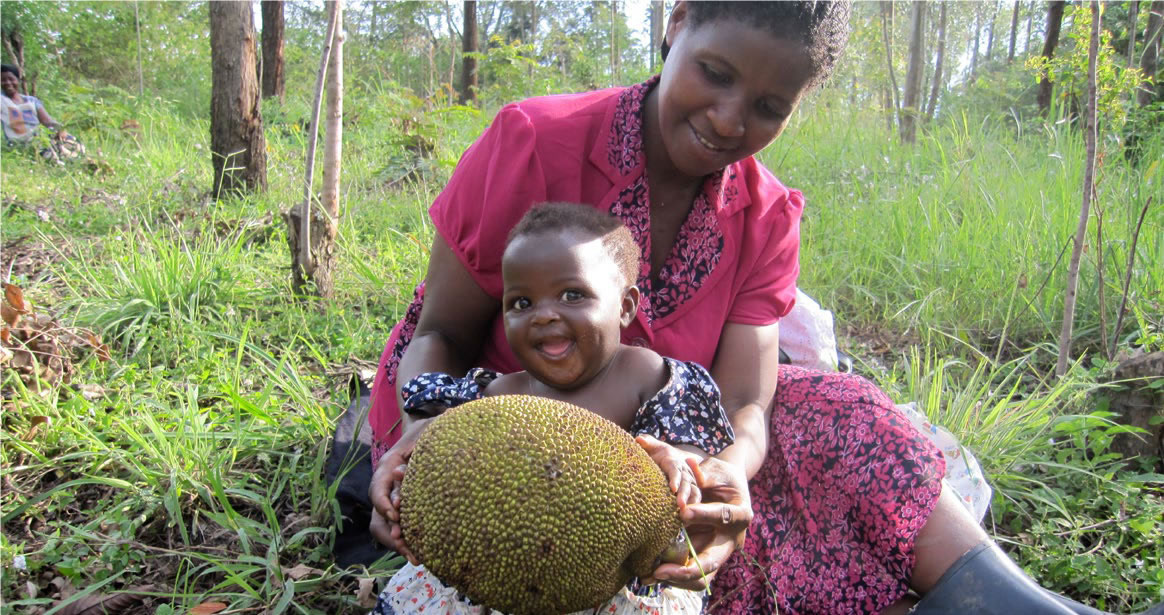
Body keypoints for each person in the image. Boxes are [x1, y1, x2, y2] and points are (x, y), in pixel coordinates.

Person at [366, 3, 1162, 614]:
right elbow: (439, 332)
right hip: (493, 424)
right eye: (714, 72)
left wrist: (729, 471)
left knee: (839, 406)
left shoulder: (768, 214)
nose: (728, 118)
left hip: (663, 448)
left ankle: (1005, 598)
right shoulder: (534, 139)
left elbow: (747, 399)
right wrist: (423, 439)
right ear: (675, 26)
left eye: (769, 105)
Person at [377, 202, 735, 614]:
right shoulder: (495, 397)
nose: (544, 315)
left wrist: (680, 462)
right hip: (509, 575)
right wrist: (407, 474)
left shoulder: (651, 378)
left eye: (572, 295)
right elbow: (438, 446)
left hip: (626, 587)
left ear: (625, 306)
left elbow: (696, 466)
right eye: (521, 303)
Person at [1, 64, 83, 163]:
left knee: (76, 144)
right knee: (51, 155)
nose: (8, 83)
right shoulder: (2, 100)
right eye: (3, 80)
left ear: (18, 80)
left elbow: (47, 121)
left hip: (40, 137)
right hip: (20, 143)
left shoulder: (31, 101)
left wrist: (60, 129)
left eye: (11, 79)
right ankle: (61, 161)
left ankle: (78, 161)